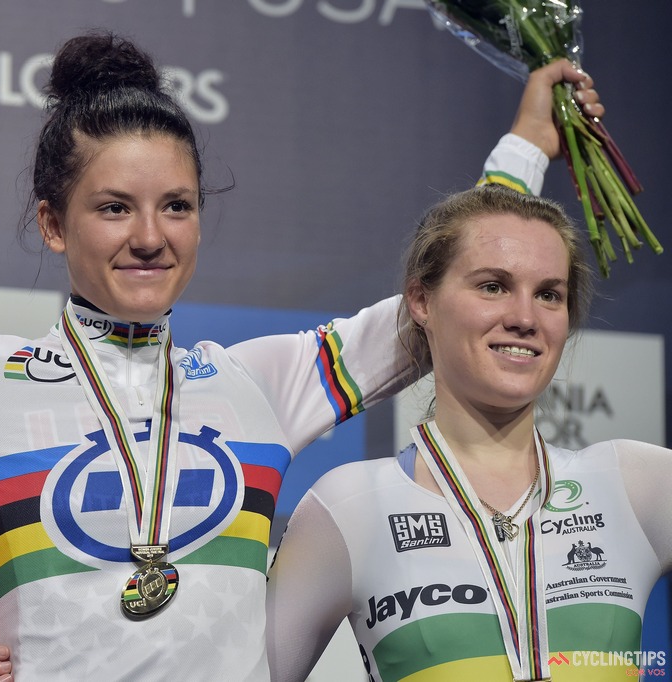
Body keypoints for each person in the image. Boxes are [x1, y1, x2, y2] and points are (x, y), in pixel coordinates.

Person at [0, 32, 601, 680]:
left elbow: (451, 291)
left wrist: (525, 146)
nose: (150, 237)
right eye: (115, 207)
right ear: (53, 224)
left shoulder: (257, 383)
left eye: (177, 206)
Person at [265, 185, 672, 681]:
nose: (525, 318)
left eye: (549, 294)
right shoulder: (350, 506)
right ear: (421, 301)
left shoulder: (635, 484)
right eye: (493, 286)